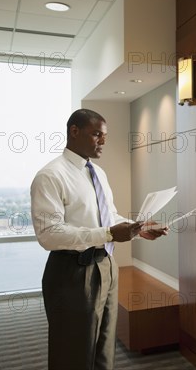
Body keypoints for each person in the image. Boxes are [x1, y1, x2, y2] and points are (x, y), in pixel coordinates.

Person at [30, 109, 167, 370]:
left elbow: (107, 216)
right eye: (97, 134)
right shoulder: (50, 176)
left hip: (106, 266)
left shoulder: (98, 173)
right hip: (71, 272)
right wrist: (107, 234)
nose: (103, 141)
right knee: (73, 353)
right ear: (74, 131)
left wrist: (136, 228)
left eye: (104, 136)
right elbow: (49, 234)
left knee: (104, 348)